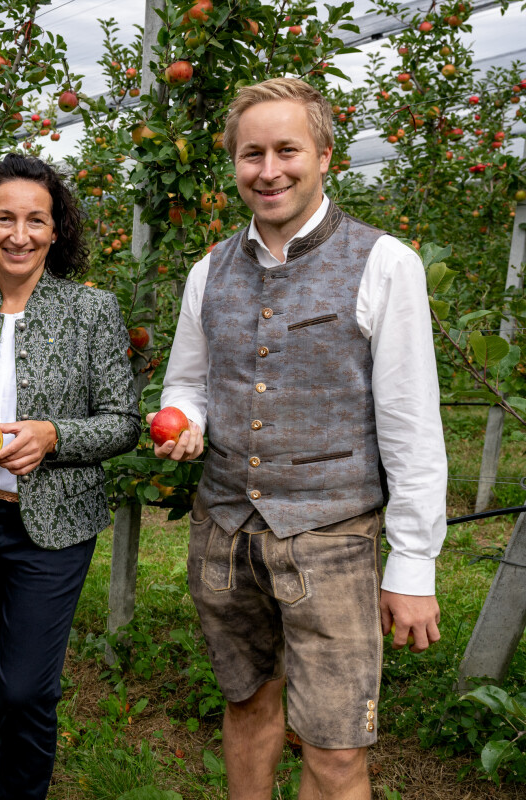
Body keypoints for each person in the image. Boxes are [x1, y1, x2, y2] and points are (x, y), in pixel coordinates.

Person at [153, 77, 447, 799]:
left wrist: (413, 566)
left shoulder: (384, 264)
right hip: (225, 531)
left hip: (331, 538)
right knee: (248, 703)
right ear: (233, 165)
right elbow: (187, 383)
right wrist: (186, 423)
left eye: (287, 149)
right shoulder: (207, 272)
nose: (269, 169)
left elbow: (413, 425)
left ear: (324, 154)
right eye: (251, 154)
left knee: (337, 748)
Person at [0, 153, 140, 800]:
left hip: (53, 527)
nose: (19, 234)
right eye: (4, 218)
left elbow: (123, 421)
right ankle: (4, 788)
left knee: (26, 687)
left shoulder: (90, 313)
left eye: (35, 220)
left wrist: (53, 436)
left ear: (56, 230)